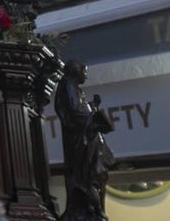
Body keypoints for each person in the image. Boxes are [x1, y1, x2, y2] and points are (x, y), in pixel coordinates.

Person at [55, 59, 115, 221]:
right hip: (82, 140)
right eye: (85, 71)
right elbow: (74, 113)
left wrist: (93, 106)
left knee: (98, 176)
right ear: (76, 71)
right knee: (90, 177)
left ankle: (96, 210)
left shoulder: (74, 88)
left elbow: (79, 109)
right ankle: (92, 210)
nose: (86, 75)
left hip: (87, 137)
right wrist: (94, 119)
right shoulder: (68, 86)